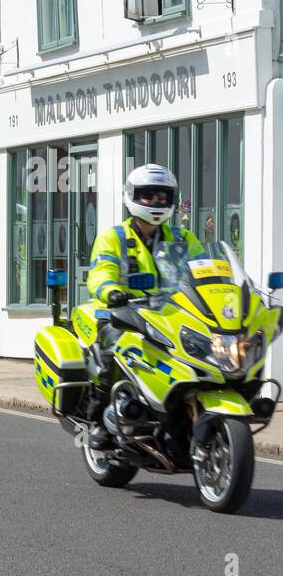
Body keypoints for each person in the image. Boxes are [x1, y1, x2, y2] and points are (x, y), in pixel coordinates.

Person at [85, 164, 203, 450]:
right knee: (109, 352)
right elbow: (100, 272)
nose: (155, 202)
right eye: (148, 195)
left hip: (170, 314)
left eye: (162, 196)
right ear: (132, 196)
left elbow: (204, 270)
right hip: (123, 312)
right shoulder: (113, 237)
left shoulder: (183, 238)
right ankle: (98, 421)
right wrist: (112, 291)